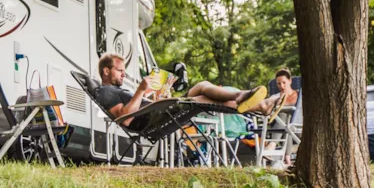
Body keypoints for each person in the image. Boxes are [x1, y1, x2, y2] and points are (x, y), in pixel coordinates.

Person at [94, 54, 268, 127]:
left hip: (158, 110)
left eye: (124, 71)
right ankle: (262, 105)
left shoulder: (117, 90)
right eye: (120, 71)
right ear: (106, 71)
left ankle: (240, 95)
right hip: (155, 118)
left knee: (201, 85)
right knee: (201, 100)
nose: (124, 74)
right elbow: (125, 119)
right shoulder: (105, 91)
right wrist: (140, 91)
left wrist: (159, 95)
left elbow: (139, 105)